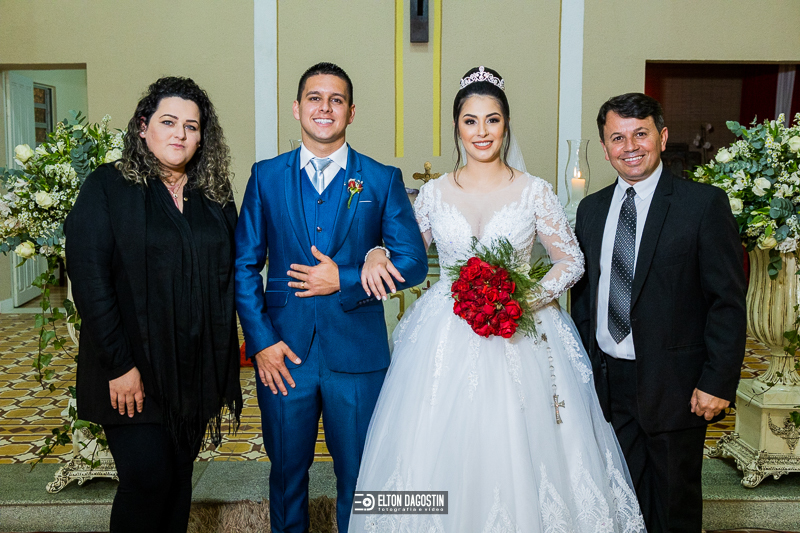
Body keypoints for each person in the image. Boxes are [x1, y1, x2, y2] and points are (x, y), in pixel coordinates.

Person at [349, 67, 645, 532]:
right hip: (444, 333)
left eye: (492, 120)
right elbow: (406, 255)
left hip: (522, 331)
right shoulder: (433, 193)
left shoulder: (534, 191)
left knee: (525, 443)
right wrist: (375, 252)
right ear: (456, 126)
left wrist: (522, 297)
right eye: (470, 121)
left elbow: (571, 262)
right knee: (435, 443)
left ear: (506, 124)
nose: (481, 131)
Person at [234, 62, 428, 533]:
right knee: (285, 477)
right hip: (283, 354)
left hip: (358, 354)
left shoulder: (380, 179)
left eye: (336, 100)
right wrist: (261, 342)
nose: (325, 107)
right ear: (296, 108)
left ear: (351, 112)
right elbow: (243, 266)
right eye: (315, 98)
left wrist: (343, 277)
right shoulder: (265, 176)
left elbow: (413, 262)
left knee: (362, 479)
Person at [65, 77, 242, 532]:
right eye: (168, 122)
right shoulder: (108, 187)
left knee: (178, 481)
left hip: (193, 370)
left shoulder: (214, 194)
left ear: (202, 137)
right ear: (143, 127)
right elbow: (90, 280)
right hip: (131, 368)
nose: (180, 133)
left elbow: (233, 271)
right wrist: (119, 365)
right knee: (147, 480)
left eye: (191, 126)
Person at [571, 92, 747, 532]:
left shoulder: (702, 205)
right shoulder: (591, 210)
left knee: (673, 509)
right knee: (621, 505)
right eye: (617, 137)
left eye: (641, 134)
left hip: (677, 387)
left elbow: (726, 301)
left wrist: (717, 380)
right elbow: (585, 300)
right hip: (609, 386)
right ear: (605, 147)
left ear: (662, 138)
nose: (630, 147)